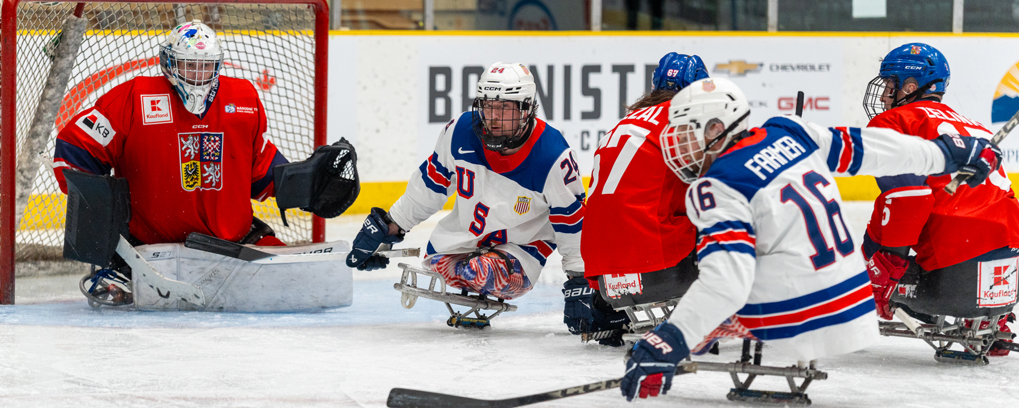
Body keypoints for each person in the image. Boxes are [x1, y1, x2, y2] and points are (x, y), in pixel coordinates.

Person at [621, 77, 1002, 400]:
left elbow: (726, 281)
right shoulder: (790, 130)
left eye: (685, 133)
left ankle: (726, 325)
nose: (677, 146)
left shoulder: (716, 186)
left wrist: (671, 339)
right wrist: (946, 153)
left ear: (717, 129)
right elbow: (874, 150)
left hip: (799, 321)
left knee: (723, 263)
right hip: (854, 301)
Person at [346, 62, 585, 303]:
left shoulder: (552, 156)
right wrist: (390, 225)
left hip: (519, 252)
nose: (493, 117)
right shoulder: (460, 131)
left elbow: (572, 222)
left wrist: (580, 279)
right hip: (464, 241)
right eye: (488, 106)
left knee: (478, 273)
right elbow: (429, 186)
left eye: (504, 107)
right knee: (436, 266)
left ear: (526, 109)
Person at [52, 20, 289, 247]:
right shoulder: (135, 97)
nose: (198, 74)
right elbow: (75, 149)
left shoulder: (243, 98)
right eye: (190, 65)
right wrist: (105, 210)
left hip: (234, 244)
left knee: (296, 278)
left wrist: (305, 184)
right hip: (154, 249)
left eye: (206, 65)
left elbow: (262, 173)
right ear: (170, 63)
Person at [862, 43, 1019, 356]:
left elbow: (908, 197)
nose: (883, 96)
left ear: (910, 86)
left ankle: (890, 289)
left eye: (890, 86)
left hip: (948, 272)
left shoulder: (893, 122)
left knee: (882, 219)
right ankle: (997, 317)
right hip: (1007, 266)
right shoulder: (975, 128)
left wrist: (885, 266)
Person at [568, 53, 708, 345]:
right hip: (662, 273)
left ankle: (610, 311)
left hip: (605, 282)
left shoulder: (622, 124)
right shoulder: (687, 122)